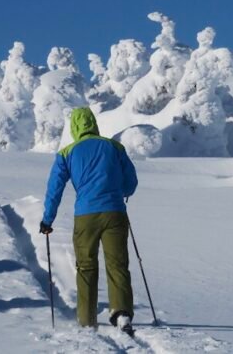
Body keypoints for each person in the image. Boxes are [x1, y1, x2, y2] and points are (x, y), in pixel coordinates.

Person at [40, 107, 138, 335]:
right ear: (93, 123)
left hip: (85, 216)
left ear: (74, 127)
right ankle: (122, 314)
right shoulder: (114, 147)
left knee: (86, 266)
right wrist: (118, 192)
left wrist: (47, 219)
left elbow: (54, 189)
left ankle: (86, 320)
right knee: (118, 264)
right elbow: (131, 181)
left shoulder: (67, 153)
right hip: (115, 213)